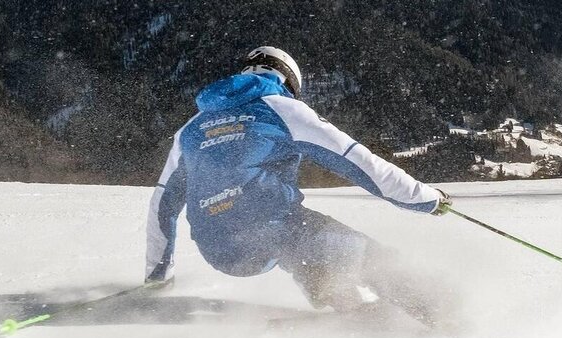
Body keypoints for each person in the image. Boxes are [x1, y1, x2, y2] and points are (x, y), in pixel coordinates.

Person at [144, 46, 454, 323]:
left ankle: (340, 298)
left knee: (304, 244)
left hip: (218, 248)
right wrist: (424, 198)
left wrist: (158, 276)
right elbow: (359, 162)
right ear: (289, 82)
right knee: (361, 253)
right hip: (271, 227)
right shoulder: (282, 107)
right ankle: (446, 312)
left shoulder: (190, 128)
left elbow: (162, 204)